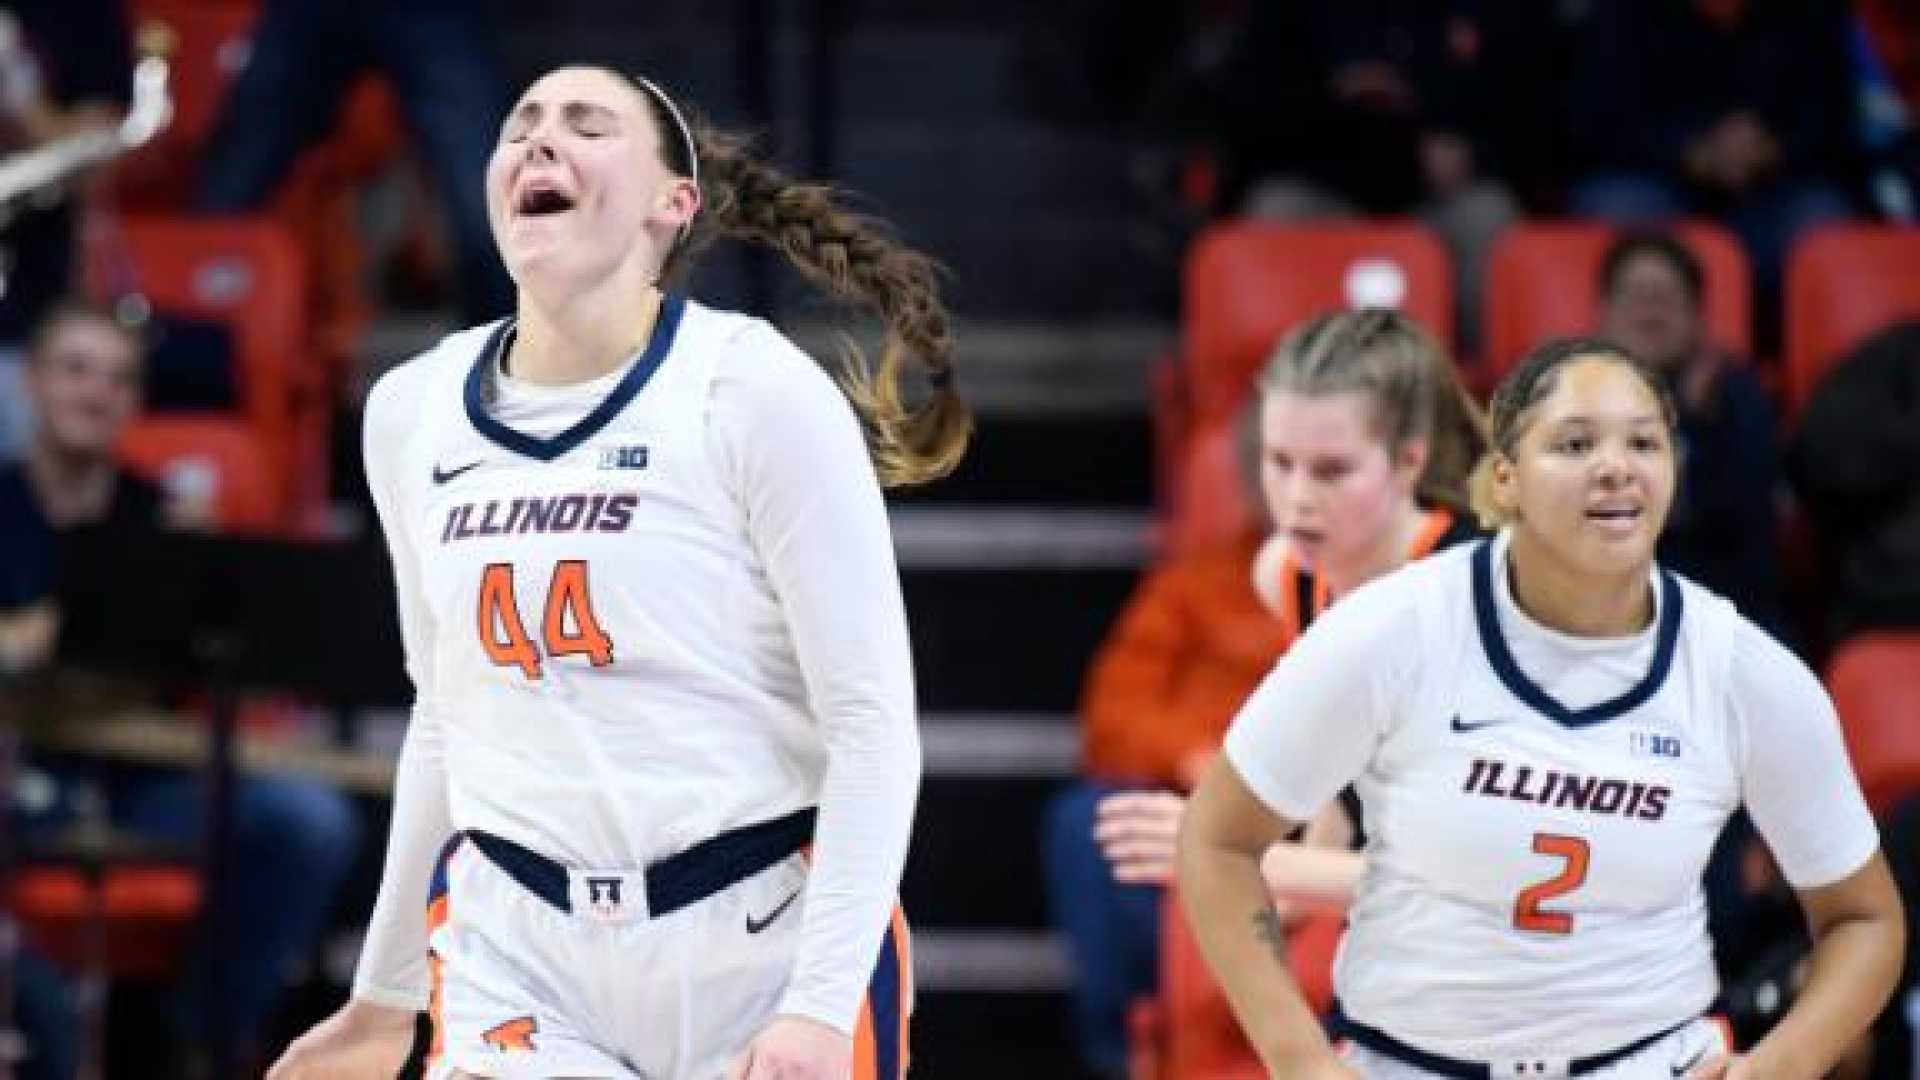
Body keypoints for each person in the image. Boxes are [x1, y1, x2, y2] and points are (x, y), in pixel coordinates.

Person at [267, 65, 968, 1080]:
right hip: (520, 948)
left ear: (669, 207)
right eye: (522, 127)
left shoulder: (752, 389)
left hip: (759, 934)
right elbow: (447, 718)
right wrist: (385, 1000)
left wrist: (820, 1006)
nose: (540, 141)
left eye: (586, 126)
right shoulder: (410, 411)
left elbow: (870, 725)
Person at [1180, 337, 1905, 1078]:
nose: (1615, 464)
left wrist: (1777, 1067)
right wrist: (1300, 1061)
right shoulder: (1395, 627)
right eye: (1575, 442)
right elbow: (1216, 841)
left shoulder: (1742, 670)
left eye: (1644, 442)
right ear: (1506, 478)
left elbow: (1865, 917)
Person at [1045, 309, 1482, 1078]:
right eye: (1280, 463)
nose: (1296, 498)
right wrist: (1267, 908)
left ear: (1408, 463)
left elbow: (1482, 881)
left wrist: (1234, 859)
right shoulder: (1291, 572)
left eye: (1332, 470)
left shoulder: (1471, 601)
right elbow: (1339, 813)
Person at [0, 302, 361, 1070]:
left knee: (308, 821)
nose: (95, 392)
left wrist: (200, 588)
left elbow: (230, 662)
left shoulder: (166, 519)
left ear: (136, 402)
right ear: (30, 382)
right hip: (18, 773)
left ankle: (198, 1043)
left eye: (118, 378)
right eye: (75, 370)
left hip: (141, 776)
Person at [1595, 229, 1782, 632]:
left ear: (1698, 318)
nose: (1650, 311)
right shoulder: (1564, 400)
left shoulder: (1734, 396)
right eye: (1635, 296)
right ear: (1604, 314)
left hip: (1720, 613)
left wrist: (1701, 427)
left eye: (1664, 298)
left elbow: (1752, 528)